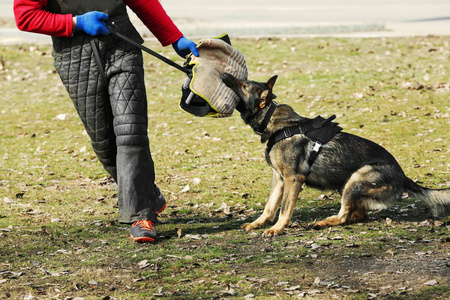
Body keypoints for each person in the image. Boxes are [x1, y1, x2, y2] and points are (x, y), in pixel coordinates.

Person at [13, 0, 199, 243]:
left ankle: (141, 216)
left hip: (120, 44)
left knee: (130, 130)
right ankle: (148, 194)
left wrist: (174, 37)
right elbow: (25, 16)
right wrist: (76, 23)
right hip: (73, 55)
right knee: (104, 142)